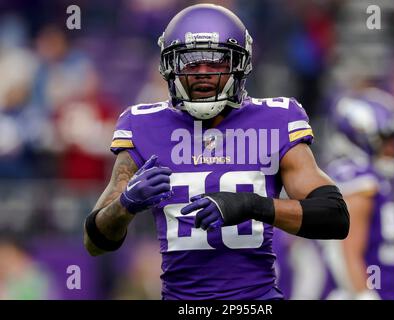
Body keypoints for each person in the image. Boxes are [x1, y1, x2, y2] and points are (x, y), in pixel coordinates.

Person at [83, 3, 349, 300]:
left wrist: (251, 205)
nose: (203, 74)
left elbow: (334, 217)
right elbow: (95, 242)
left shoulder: (276, 119)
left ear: (240, 65)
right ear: (170, 67)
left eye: (217, 62)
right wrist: (126, 204)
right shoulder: (143, 123)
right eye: (191, 63)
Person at [320, 88, 394, 300]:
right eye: (387, 140)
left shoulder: (371, 178)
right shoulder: (359, 181)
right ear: (362, 137)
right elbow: (345, 251)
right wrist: (364, 295)